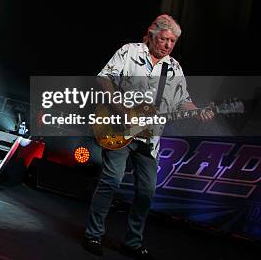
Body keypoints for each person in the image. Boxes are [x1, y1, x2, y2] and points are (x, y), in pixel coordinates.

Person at [82, 14, 213, 259]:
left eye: (172, 41)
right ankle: (93, 234)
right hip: (118, 127)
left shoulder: (173, 68)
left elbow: (182, 100)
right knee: (111, 181)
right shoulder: (130, 52)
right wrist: (120, 108)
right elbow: (104, 77)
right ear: (152, 36)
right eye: (164, 39)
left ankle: (132, 242)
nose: (167, 45)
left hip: (149, 140)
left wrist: (197, 111)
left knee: (147, 191)